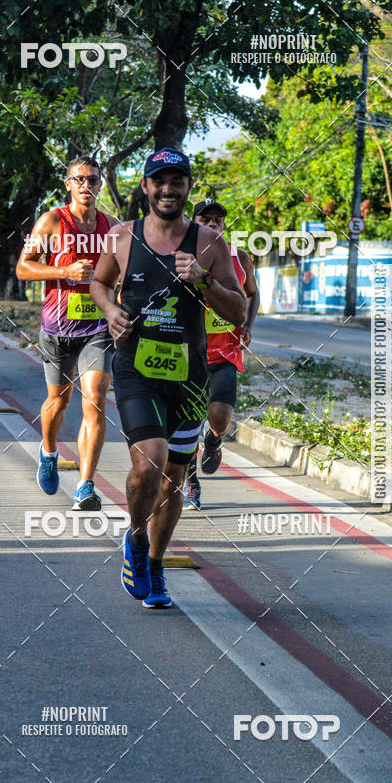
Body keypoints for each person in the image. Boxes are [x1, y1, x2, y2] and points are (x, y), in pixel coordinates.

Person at [91, 148, 246, 608]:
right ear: (145, 187)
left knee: (176, 477)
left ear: (187, 188)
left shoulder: (210, 244)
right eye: (159, 180)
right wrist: (110, 310)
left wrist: (204, 280)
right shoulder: (121, 237)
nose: (167, 189)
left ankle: (156, 565)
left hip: (190, 376)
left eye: (177, 181)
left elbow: (237, 310)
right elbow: (100, 283)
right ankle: (136, 540)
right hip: (136, 369)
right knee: (150, 463)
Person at [16, 156, 117, 509]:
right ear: (68, 184)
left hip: (98, 329)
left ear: (101, 184)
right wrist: (64, 272)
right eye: (79, 180)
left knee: (96, 398)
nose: (86, 186)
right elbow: (23, 268)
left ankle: (86, 486)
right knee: (59, 400)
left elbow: (124, 273)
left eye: (92, 179)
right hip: (57, 327)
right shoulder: (52, 221)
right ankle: (48, 451)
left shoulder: (113, 227)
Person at [184, 198, 260, 510]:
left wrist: (248, 325)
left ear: (225, 226)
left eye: (218, 220)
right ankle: (190, 481)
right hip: (188, 355)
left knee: (220, 418)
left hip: (225, 352)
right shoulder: (182, 261)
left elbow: (252, 294)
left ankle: (213, 441)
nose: (213, 224)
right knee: (185, 426)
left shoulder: (240, 258)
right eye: (206, 219)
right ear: (193, 224)